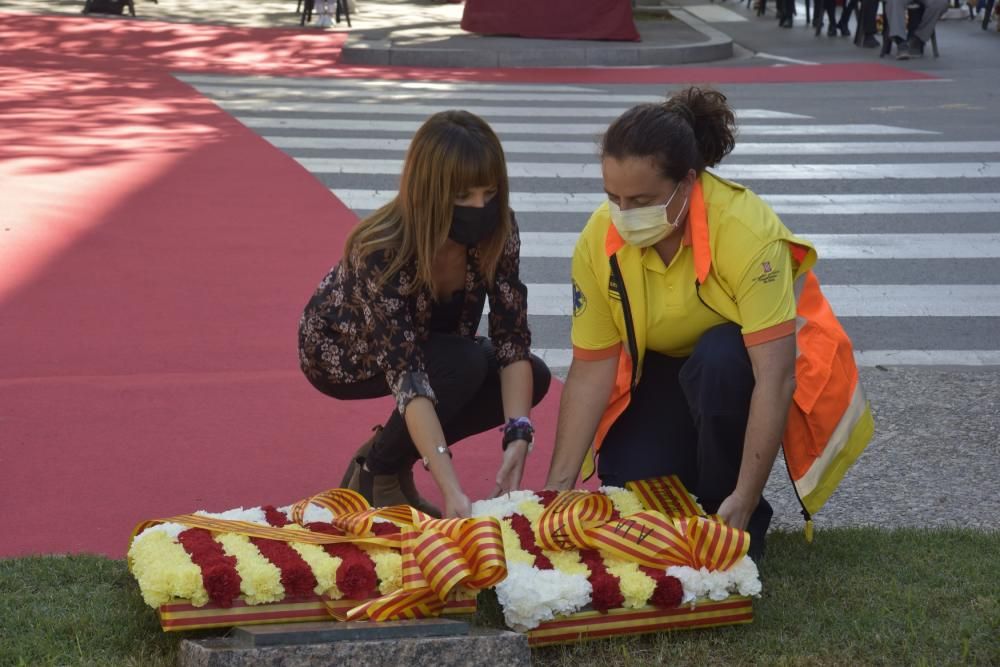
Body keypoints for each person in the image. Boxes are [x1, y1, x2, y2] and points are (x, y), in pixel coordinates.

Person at [544, 87, 873, 559]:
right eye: (613, 197)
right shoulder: (598, 238)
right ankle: (697, 492)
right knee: (634, 496)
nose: (624, 215)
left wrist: (743, 494)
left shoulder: (745, 230)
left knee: (719, 361)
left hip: (743, 369)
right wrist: (558, 488)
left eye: (641, 199)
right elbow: (592, 367)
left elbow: (773, 378)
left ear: (688, 183)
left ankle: (736, 514)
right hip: (661, 371)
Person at [299, 110, 551, 519]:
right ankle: (379, 470)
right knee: (462, 364)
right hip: (343, 351)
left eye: (488, 193)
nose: (479, 207)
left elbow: (511, 337)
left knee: (532, 375)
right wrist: (451, 489)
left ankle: (386, 461)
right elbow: (408, 375)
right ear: (429, 191)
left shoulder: (497, 228)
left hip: (436, 347)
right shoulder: (381, 247)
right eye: (463, 196)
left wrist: (518, 433)